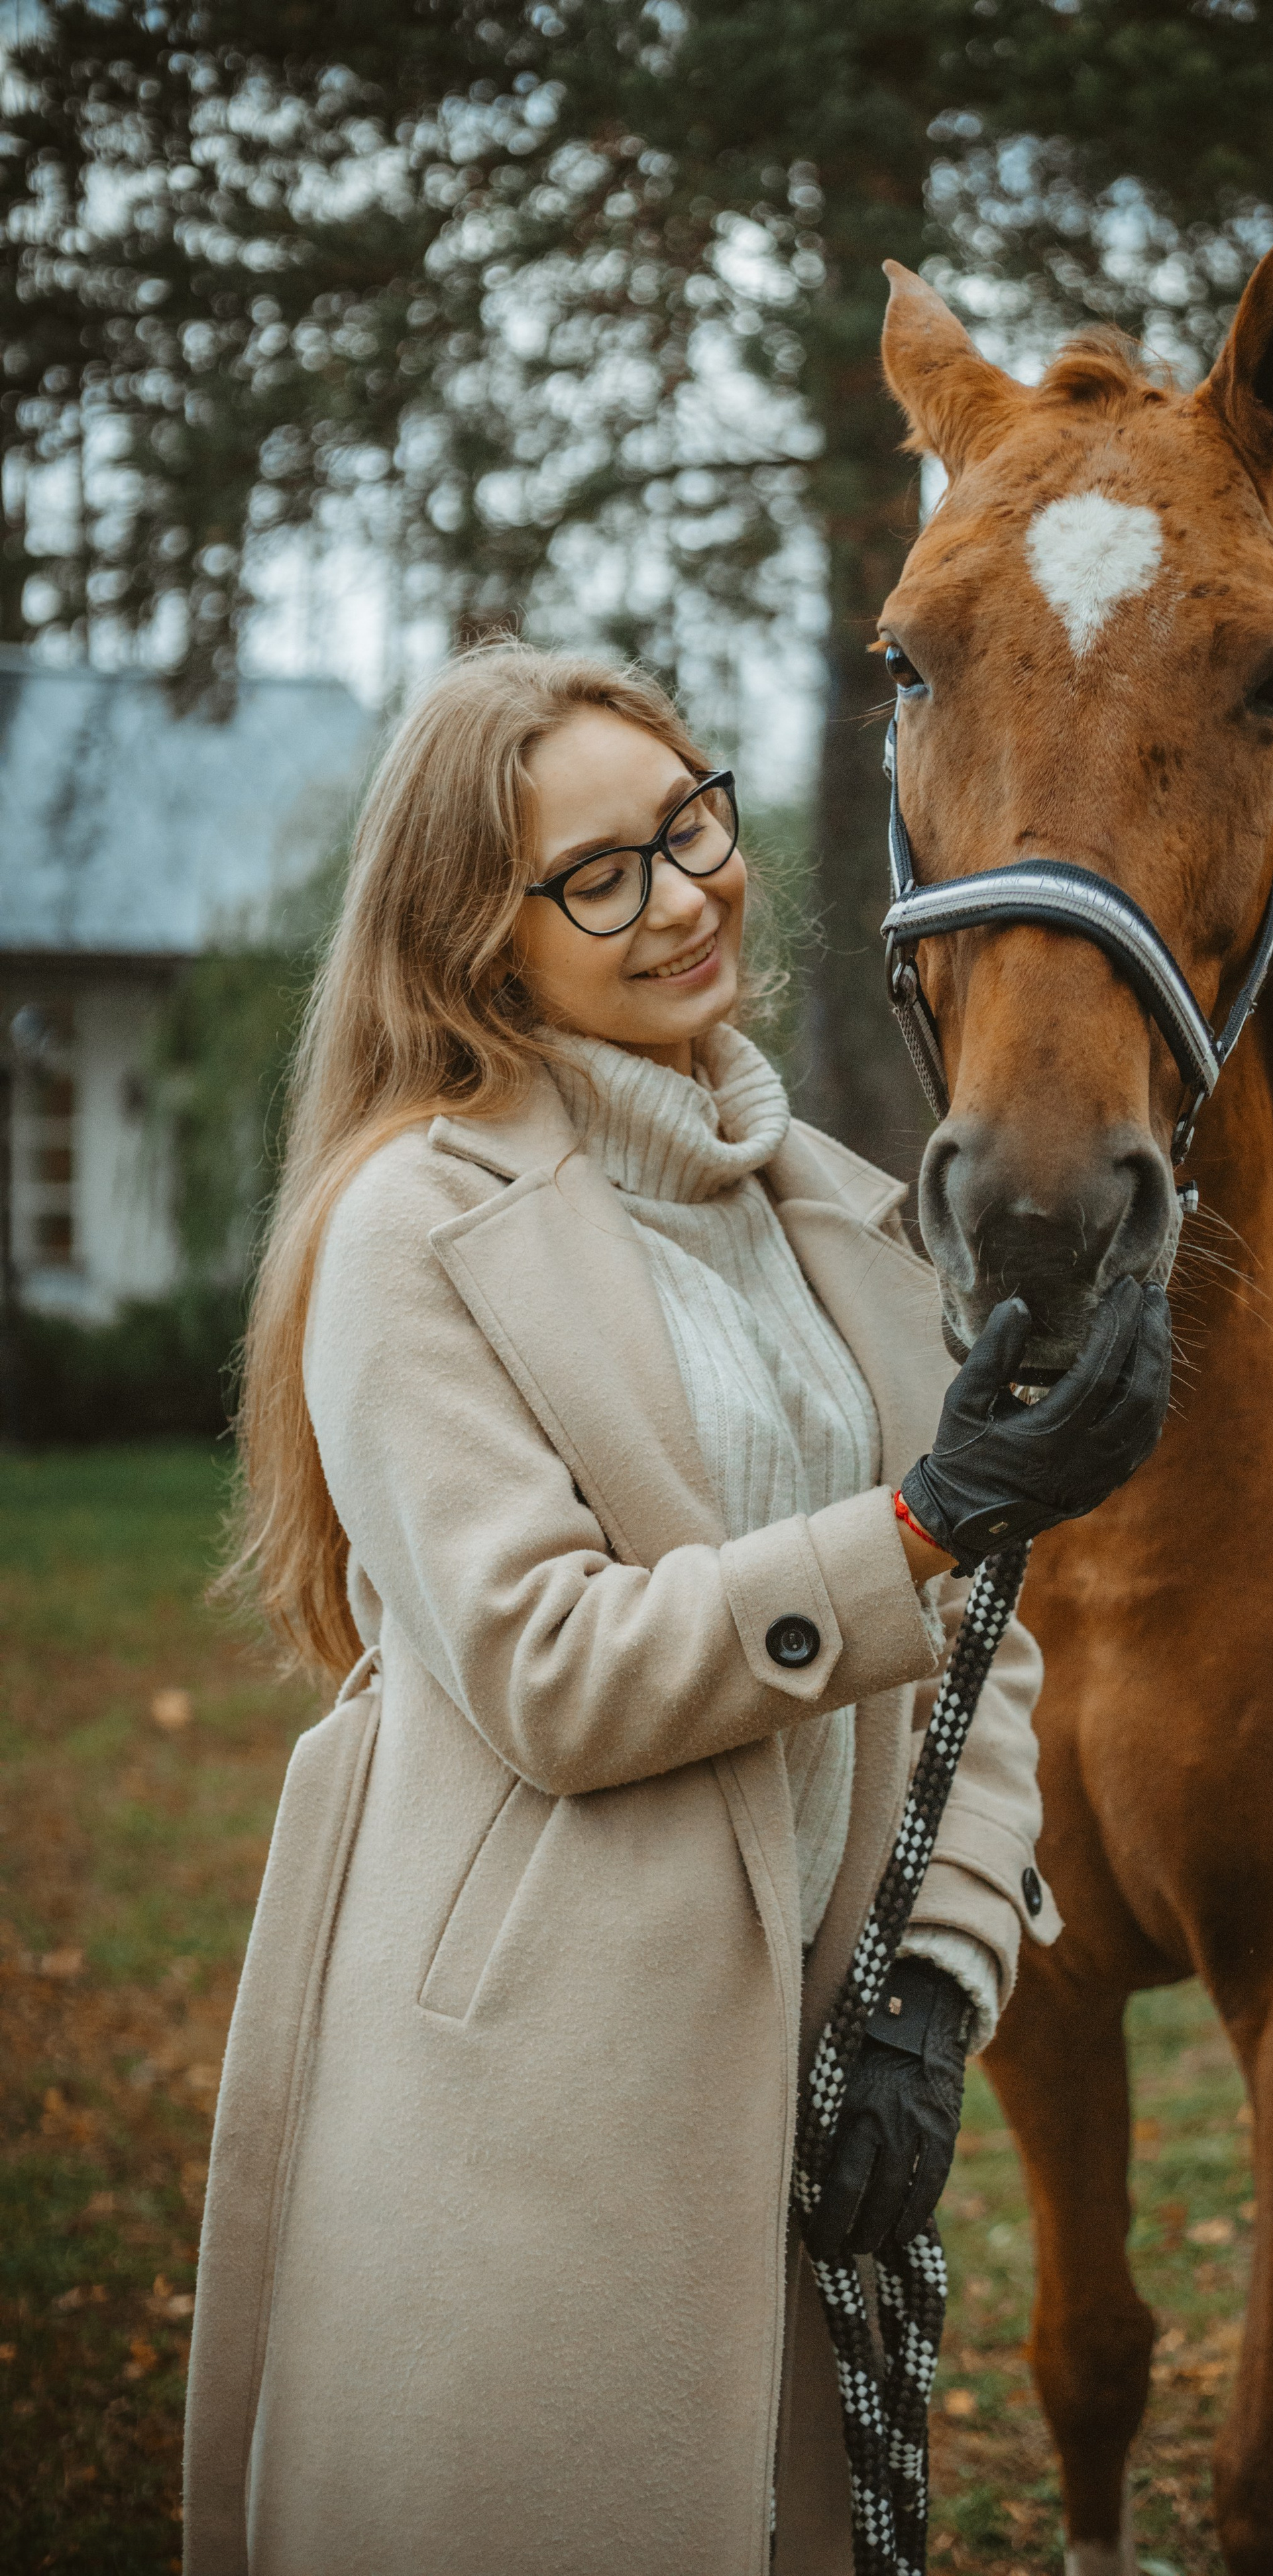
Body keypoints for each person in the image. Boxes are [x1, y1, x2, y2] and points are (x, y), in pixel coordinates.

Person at [182, 647, 1171, 2576]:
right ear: (478, 941)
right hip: (535, 2104)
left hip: (804, 2074)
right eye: (599, 875)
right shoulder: (411, 1232)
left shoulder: (838, 1205)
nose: (685, 893)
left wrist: (940, 1991)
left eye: (688, 825)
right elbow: (549, 1671)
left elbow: (984, 1652)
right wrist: (929, 1516)